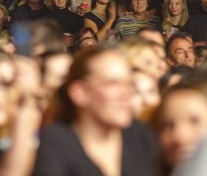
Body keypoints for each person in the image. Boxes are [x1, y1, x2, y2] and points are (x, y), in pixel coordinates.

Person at [33, 47, 157, 176]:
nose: (126, 93)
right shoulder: (57, 142)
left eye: (129, 84)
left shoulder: (140, 135)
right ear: (79, 93)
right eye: (112, 83)